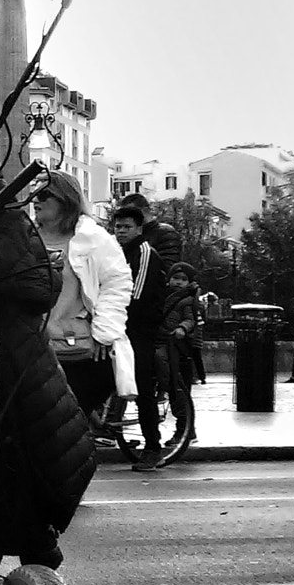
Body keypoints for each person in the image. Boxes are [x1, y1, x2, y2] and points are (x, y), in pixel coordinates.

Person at [31, 172, 131, 436]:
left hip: (76, 350)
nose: (35, 201)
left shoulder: (93, 239)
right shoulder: (24, 238)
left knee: (63, 427)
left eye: (42, 194)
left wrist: (104, 333)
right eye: (32, 194)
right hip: (28, 349)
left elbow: (117, 284)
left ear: (65, 199)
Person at [111, 204, 169, 470]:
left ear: (139, 229)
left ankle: (153, 447)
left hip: (140, 330)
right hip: (118, 326)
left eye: (127, 227)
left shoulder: (145, 253)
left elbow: (137, 295)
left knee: (142, 385)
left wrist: (112, 314)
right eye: (118, 227)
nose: (121, 231)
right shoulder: (115, 253)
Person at [161, 261, 202, 452]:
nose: (178, 282)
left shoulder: (187, 301)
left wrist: (182, 329)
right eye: (175, 278)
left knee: (180, 389)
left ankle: (185, 430)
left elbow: (191, 320)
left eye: (183, 280)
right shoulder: (163, 296)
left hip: (179, 348)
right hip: (165, 343)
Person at [116, 193, 183, 268]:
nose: (126, 217)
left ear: (145, 210)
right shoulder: (125, 236)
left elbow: (167, 268)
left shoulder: (166, 234)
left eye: (130, 213)